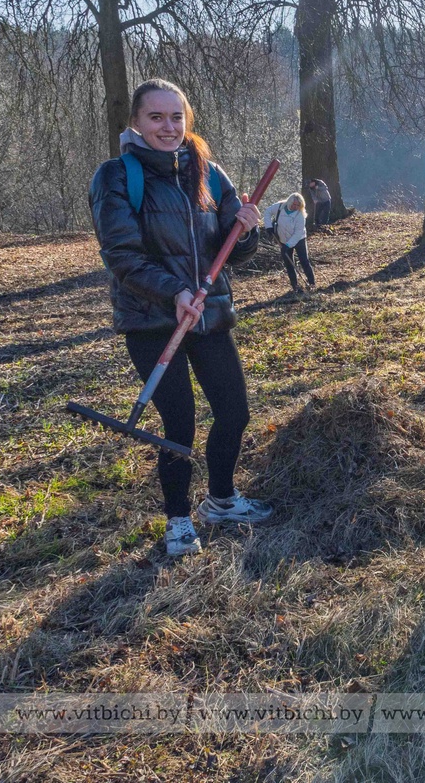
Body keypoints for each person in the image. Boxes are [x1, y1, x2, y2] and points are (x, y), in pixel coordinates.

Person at [89, 78, 273, 557]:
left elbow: (236, 252)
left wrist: (249, 229)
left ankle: (222, 499)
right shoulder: (116, 177)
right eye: (156, 117)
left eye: (177, 117)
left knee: (234, 411)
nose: (169, 127)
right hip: (152, 321)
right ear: (135, 122)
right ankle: (177, 520)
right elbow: (122, 256)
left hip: (209, 317)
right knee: (179, 424)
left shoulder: (208, 173)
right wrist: (174, 293)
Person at [264, 192, 316, 294]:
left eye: (298, 205)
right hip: (283, 240)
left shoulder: (300, 215)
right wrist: (268, 226)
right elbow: (267, 212)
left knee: (304, 261)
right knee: (289, 263)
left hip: (299, 240)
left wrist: (288, 245)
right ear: (289, 202)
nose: (295, 207)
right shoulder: (279, 207)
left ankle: (312, 283)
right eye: (294, 204)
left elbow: (298, 233)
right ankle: (295, 286)